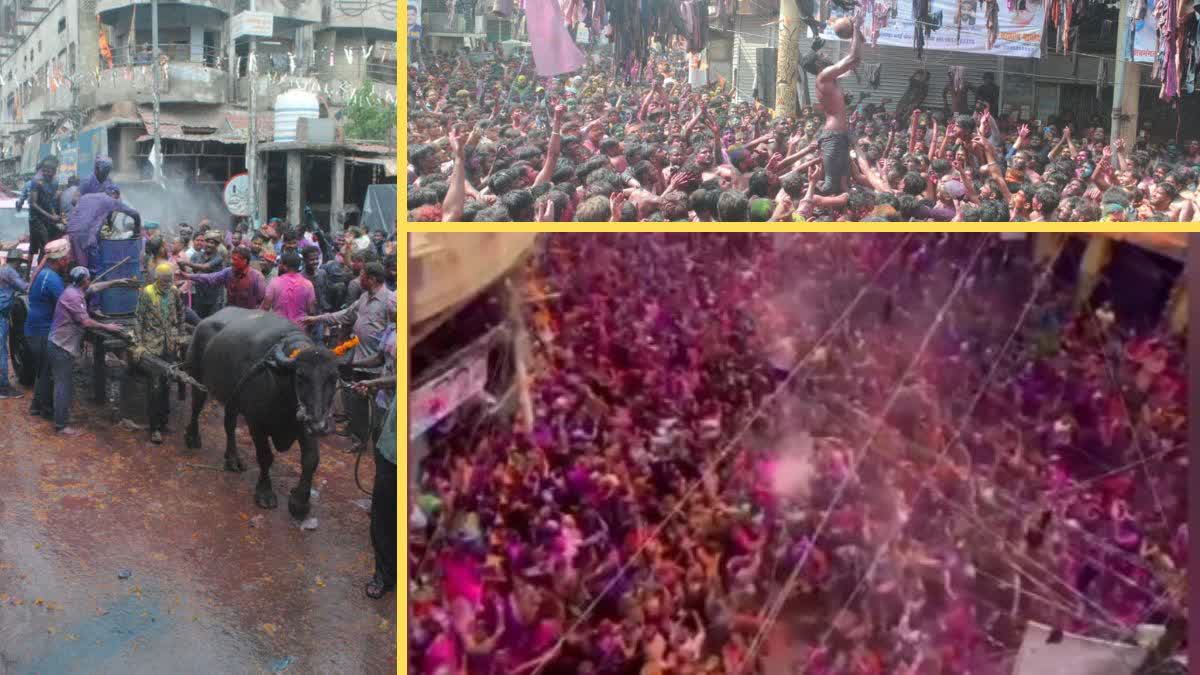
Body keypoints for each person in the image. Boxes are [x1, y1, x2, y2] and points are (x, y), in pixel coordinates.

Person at [302, 262, 394, 453]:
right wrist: (317, 319)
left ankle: (377, 444)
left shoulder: (390, 301)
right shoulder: (363, 297)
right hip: (361, 358)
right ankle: (358, 436)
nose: (359, 279)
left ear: (372, 279)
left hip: (380, 365)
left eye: (362, 275)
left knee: (379, 408)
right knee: (357, 401)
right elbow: (345, 315)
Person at [46, 267, 124, 436]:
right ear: (84, 280)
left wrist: (115, 282)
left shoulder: (74, 289)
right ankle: (61, 425)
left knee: (63, 384)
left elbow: (95, 288)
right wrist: (107, 326)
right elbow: (85, 322)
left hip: (59, 343)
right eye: (89, 278)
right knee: (63, 385)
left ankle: (60, 417)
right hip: (61, 346)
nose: (90, 281)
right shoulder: (74, 297)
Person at [802, 11, 864, 195]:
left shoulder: (828, 78)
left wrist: (856, 32)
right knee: (830, 186)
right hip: (834, 136)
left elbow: (856, 55)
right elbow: (854, 59)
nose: (826, 55)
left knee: (843, 184)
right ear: (819, 64)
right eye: (822, 54)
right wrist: (857, 27)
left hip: (839, 134)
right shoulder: (824, 75)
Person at [129, 263, 188, 444]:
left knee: (166, 385)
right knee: (154, 387)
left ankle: (164, 422)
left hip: (169, 346)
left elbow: (181, 313)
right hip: (151, 346)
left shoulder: (174, 292)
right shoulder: (146, 293)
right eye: (163, 280)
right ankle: (155, 428)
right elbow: (138, 319)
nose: (167, 283)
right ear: (156, 279)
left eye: (169, 280)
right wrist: (138, 344)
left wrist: (181, 335)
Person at [24, 239, 72, 420]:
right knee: (48, 372)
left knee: (42, 370)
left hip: (33, 330)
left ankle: (36, 406)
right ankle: (48, 410)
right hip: (42, 332)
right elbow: (65, 305)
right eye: (67, 258)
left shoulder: (43, 274)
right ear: (60, 260)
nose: (68, 261)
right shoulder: (53, 280)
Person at [65, 187, 141, 270]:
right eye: (117, 198)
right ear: (114, 194)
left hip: (70, 230)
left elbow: (77, 205)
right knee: (94, 264)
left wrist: (109, 223)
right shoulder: (110, 200)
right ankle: (94, 276)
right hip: (84, 233)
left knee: (78, 261)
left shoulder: (86, 196)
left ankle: (81, 277)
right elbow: (135, 214)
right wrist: (136, 231)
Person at [178, 245, 266, 311]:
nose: (231, 262)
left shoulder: (256, 277)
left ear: (245, 261)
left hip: (248, 317)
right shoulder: (228, 272)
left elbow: (261, 301)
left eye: (235, 259)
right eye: (231, 259)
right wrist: (188, 276)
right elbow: (210, 278)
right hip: (230, 314)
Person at [0, 248, 30, 399]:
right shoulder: (10, 272)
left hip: (2, 315)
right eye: (20, 263)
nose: (20, 266)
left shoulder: (4, 269)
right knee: (1, 352)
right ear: (17, 261)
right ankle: (3, 388)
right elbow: (25, 288)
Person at [259, 251, 316, 325]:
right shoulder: (308, 284)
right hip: (300, 329)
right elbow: (311, 310)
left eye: (280, 263)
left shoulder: (274, 282)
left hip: (279, 327)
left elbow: (265, 308)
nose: (278, 265)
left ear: (284, 266)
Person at [178, 231, 226, 318]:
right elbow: (191, 272)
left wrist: (186, 263)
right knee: (199, 323)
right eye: (207, 241)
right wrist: (181, 266)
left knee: (212, 324)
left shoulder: (218, 258)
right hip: (200, 296)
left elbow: (205, 267)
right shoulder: (196, 256)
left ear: (217, 245)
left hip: (214, 298)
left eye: (212, 243)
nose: (208, 245)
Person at [26, 157, 63, 260]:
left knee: (49, 242)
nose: (45, 173)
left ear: (54, 171)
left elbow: (48, 201)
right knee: (42, 246)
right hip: (35, 218)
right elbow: (33, 203)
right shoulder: (36, 181)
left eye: (48, 171)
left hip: (46, 218)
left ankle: (37, 271)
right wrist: (51, 216)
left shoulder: (55, 182)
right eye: (44, 170)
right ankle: (32, 273)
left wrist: (54, 214)